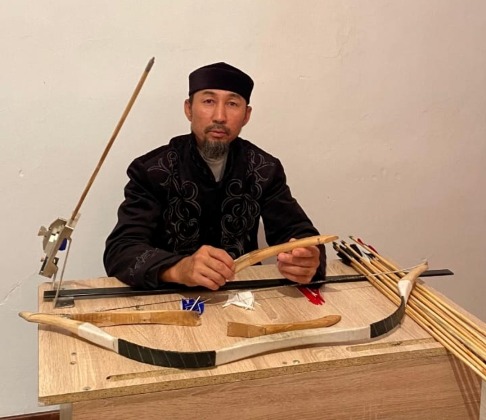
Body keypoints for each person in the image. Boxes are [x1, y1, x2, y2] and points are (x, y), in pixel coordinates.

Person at [104, 62, 326, 290]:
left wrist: (307, 259)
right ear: (189, 109)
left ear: (246, 115)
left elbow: (298, 232)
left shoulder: (264, 168)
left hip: (243, 294)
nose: (220, 116)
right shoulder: (152, 170)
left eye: (232, 104)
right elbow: (121, 250)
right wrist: (179, 268)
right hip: (171, 296)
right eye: (209, 101)